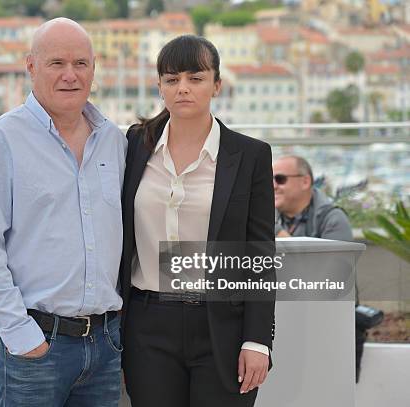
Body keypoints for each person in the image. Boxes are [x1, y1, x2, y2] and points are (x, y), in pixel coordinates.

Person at [0, 18, 126, 407]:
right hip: (37, 344)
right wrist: (20, 332)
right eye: (56, 63)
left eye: (81, 63)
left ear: (94, 68)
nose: (70, 75)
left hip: (107, 346)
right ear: (31, 66)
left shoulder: (115, 140)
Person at [120, 35, 276, 407]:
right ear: (159, 86)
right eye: (172, 80)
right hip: (147, 324)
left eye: (196, 78)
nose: (183, 89)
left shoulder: (250, 155)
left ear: (217, 85)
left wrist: (258, 340)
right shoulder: (133, 145)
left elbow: (259, 254)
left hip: (222, 324)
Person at [272, 155, 364, 382]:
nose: (272, 185)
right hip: (284, 323)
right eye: (269, 179)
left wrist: (279, 236)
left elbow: (330, 278)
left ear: (305, 182)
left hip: (330, 326)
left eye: (280, 178)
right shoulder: (267, 217)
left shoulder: (333, 219)